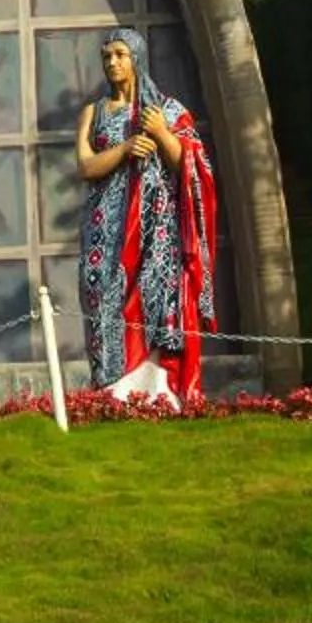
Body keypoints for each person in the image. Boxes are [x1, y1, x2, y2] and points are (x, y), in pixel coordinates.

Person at [76, 28, 220, 404]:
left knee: (153, 297)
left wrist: (160, 133)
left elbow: (190, 166)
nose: (112, 63)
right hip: (105, 226)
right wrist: (125, 149)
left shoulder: (167, 111)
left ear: (136, 58)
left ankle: (157, 392)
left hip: (155, 232)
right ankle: (111, 392)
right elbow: (87, 166)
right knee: (102, 295)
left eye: (120, 54)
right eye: (107, 56)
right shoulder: (93, 113)